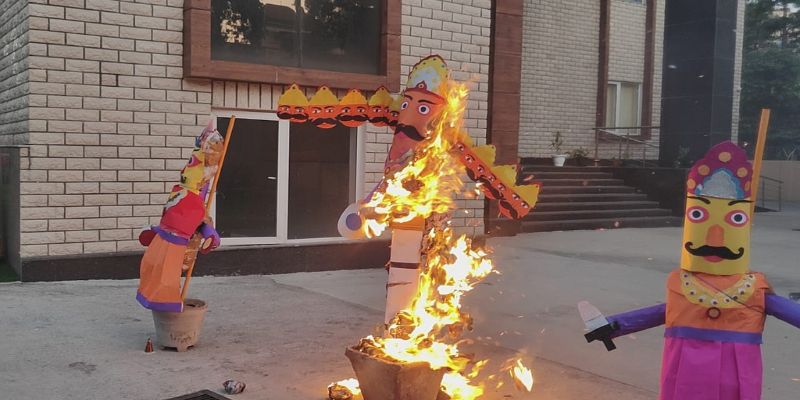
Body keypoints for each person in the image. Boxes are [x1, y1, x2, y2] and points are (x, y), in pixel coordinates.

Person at [583, 141, 800, 400]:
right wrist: (615, 326)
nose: (715, 237)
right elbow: (667, 312)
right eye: (698, 215)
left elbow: (663, 312)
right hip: (686, 373)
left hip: (731, 376)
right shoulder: (683, 283)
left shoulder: (754, 288)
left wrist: (614, 326)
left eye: (736, 218)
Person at [136, 124, 223, 312]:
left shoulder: (194, 200)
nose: (185, 172)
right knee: (151, 265)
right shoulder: (180, 191)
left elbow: (201, 222)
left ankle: (167, 302)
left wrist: (210, 235)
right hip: (163, 239)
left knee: (167, 272)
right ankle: (156, 297)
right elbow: (169, 216)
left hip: (176, 245)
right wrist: (155, 230)